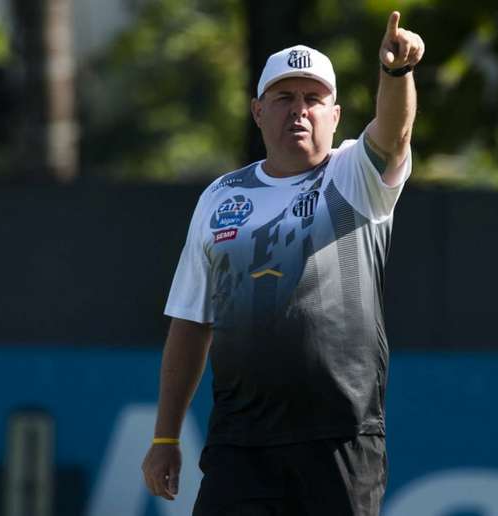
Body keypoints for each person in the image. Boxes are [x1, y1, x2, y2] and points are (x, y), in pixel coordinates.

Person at [142, 10, 424, 516]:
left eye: (314, 99)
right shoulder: (220, 197)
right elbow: (189, 322)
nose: (300, 110)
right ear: (257, 110)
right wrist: (166, 435)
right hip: (239, 443)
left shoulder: (354, 176)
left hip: (338, 437)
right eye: (284, 98)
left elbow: (395, 130)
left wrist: (396, 73)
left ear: (335, 116)